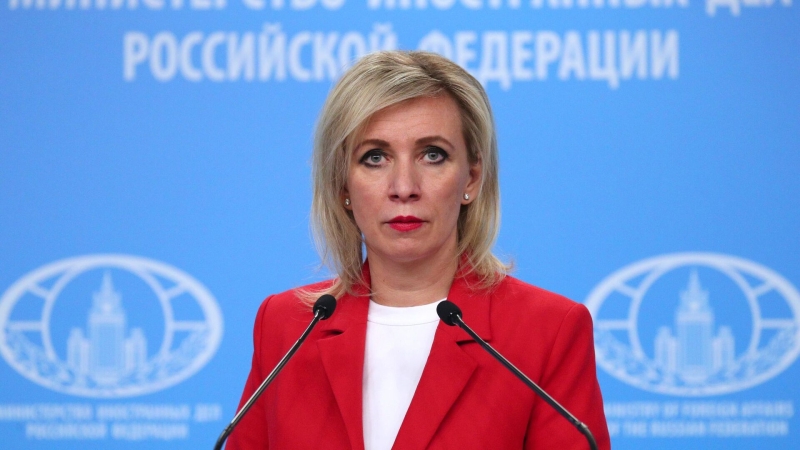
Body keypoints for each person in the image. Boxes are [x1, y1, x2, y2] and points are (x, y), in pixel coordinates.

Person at [227, 50, 610, 450]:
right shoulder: (286, 326)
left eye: (432, 155)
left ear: (472, 178)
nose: (404, 187)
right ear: (342, 184)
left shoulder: (547, 332)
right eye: (375, 158)